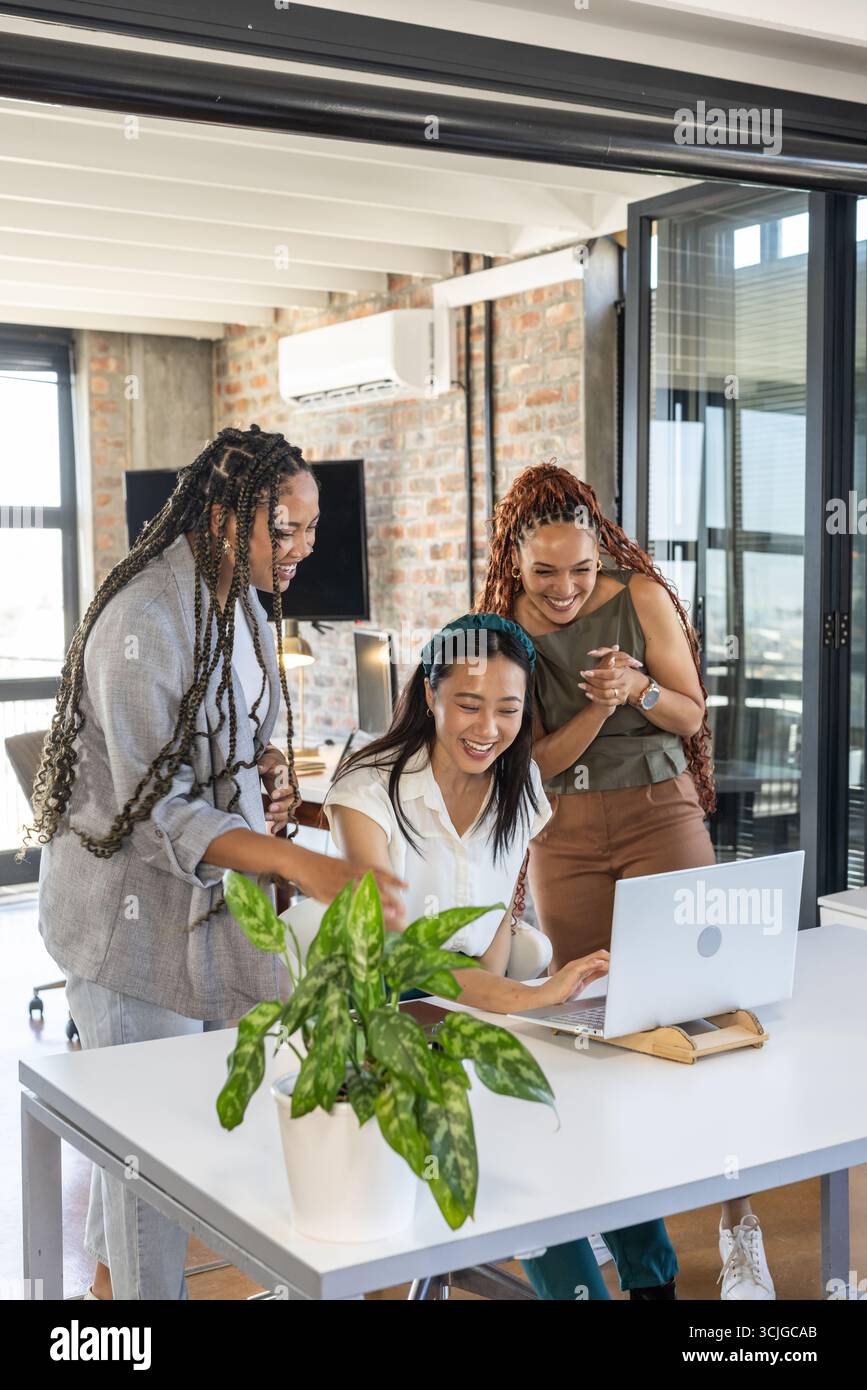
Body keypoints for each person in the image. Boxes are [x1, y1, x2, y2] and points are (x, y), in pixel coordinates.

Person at [28, 424, 406, 1301]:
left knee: (163, 1141)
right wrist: (298, 861)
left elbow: (229, 740)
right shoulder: (144, 618)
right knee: (149, 1159)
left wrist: (264, 775)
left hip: (207, 907)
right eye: (287, 527)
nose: (304, 548)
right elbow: (154, 808)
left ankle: (108, 1301)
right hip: (128, 928)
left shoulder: (238, 598)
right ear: (225, 512)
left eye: (312, 529)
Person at [475, 459, 775, 1302]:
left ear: (596, 545)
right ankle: (618, 1211)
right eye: (545, 573)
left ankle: (738, 1227)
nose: (565, 587)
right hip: (562, 835)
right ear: (514, 559)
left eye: (579, 567)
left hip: (658, 814)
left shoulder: (639, 597)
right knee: (592, 1026)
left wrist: (639, 686)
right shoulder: (501, 625)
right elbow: (528, 761)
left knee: (702, 1019)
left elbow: (690, 712)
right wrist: (599, 708)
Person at [322, 612, 680, 1301]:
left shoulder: (517, 790)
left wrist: (508, 1009)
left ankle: (653, 1286)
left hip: (472, 1007)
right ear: (429, 694)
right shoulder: (367, 792)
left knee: (589, 1108)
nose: (487, 727)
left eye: (508, 709)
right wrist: (524, 999)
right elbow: (394, 957)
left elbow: (491, 931)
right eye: (467, 704)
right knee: (522, 1139)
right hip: (382, 1027)